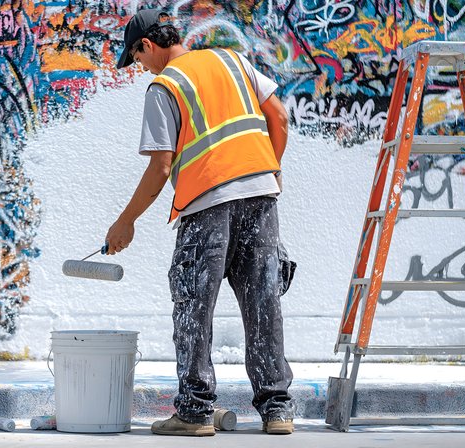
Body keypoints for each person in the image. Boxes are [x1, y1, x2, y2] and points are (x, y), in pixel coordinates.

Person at [104, 8, 295, 437]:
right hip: (261, 195)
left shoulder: (165, 86)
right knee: (263, 302)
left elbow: (160, 169)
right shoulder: (233, 60)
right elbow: (279, 117)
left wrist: (125, 223)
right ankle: (277, 409)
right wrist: (271, 170)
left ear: (147, 46)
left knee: (193, 304)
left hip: (207, 202)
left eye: (137, 59)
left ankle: (194, 413)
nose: (140, 68)